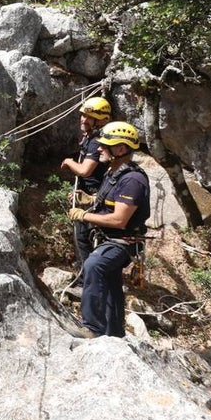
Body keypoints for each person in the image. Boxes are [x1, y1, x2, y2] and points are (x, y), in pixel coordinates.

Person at [67, 121, 150, 338]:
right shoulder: (113, 172)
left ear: (120, 149)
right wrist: (90, 199)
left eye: (105, 145)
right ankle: (115, 334)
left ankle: (92, 328)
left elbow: (119, 220)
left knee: (94, 265)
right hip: (109, 238)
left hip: (123, 241)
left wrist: (84, 215)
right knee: (111, 283)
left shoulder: (133, 180)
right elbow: (110, 202)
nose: (100, 148)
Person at [59, 96, 111, 275]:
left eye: (90, 117)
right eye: (83, 115)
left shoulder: (96, 141)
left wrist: (68, 161)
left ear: (101, 121)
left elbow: (85, 170)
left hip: (93, 195)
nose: (84, 119)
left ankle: (85, 278)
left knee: (83, 237)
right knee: (84, 236)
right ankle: (87, 274)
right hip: (88, 192)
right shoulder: (91, 138)